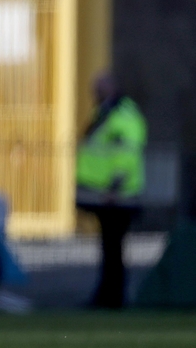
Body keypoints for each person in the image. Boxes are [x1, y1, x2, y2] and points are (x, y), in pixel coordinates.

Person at [76, 71, 147, 309]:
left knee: (114, 250)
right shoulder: (107, 113)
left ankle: (113, 298)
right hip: (108, 195)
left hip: (118, 196)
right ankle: (107, 296)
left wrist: (114, 188)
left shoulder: (123, 116)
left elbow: (125, 157)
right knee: (110, 249)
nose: (94, 92)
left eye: (99, 87)